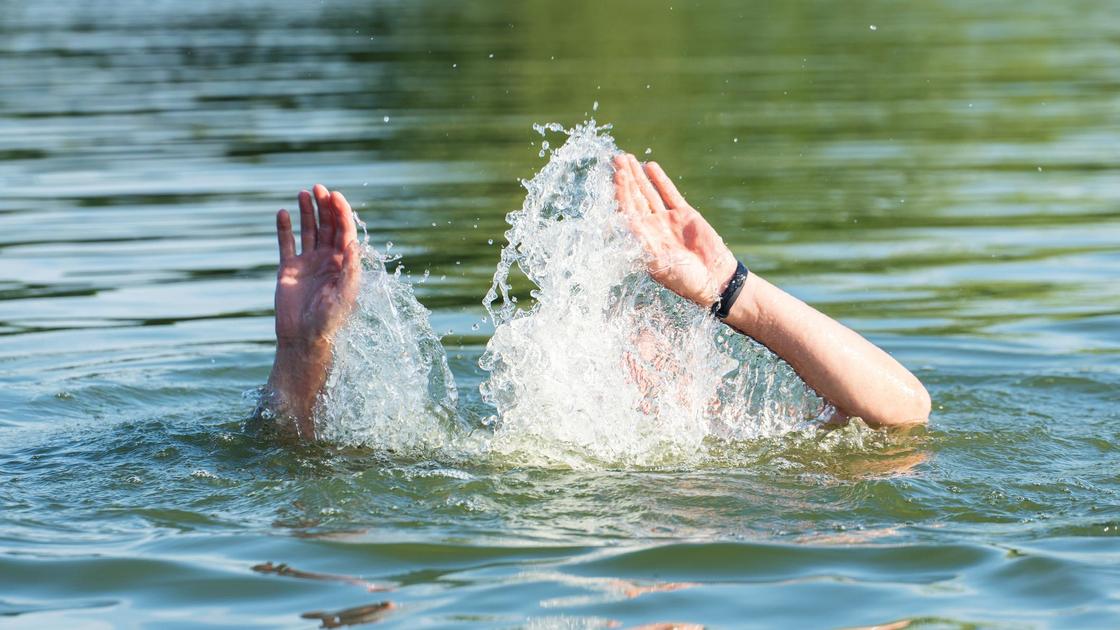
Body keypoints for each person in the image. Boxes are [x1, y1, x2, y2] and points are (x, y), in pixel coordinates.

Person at [263, 158, 930, 439]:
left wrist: (733, 289)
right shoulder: (516, 454)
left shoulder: (737, 440)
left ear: (698, 361)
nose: (636, 346)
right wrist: (303, 349)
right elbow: (304, 466)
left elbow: (903, 412)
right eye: (613, 329)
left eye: (657, 326)